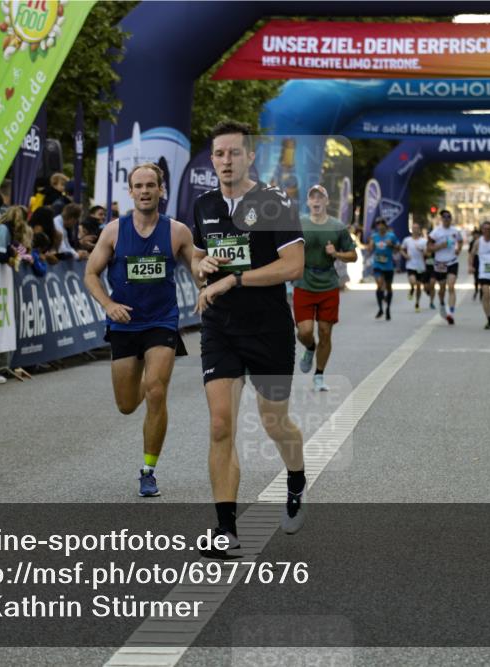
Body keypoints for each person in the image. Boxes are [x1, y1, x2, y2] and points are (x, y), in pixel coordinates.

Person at [190, 121, 306, 555]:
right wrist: (201, 267)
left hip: (268, 328)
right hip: (220, 327)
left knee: (274, 422)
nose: (226, 161)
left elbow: (292, 265)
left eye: (234, 153)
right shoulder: (204, 205)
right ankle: (226, 529)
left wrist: (235, 279)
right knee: (221, 423)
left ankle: (296, 477)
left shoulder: (274, 202)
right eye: (219, 154)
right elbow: (198, 255)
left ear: (250, 157)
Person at [86, 163, 196, 498]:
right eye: (139, 186)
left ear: (161, 190)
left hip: (161, 320)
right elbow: (90, 274)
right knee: (126, 404)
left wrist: (208, 288)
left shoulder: (177, 232)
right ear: (131, 191)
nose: (145, 191)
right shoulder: (113, 231)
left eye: (151, 185)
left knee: (156, 390)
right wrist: (108, 304)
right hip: (124, 323)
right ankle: (142, 388)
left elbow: (198, 269)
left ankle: (148, 471)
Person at [294, 184, 357, 391]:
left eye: (320, 197)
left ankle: (319, 375)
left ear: (326, 201)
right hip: (304, 281)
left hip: (328, 283)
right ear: (308, 202)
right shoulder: (299, 223)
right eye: (313, 197)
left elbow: (353, 255)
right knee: (304, 332)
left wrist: (336, 253)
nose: (316, 201)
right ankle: (310, 347)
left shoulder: (337, 226)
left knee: (325, 331)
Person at [428, 209, 463, 325]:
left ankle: (450, 313)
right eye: (444, 217)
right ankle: (442, 303)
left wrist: (458, 249)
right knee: (442, 289)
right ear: (441, 219)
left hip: (452, 262)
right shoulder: (436, 232)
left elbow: (460, 241)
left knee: (451, 286)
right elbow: (429, 248)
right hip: (440, 264)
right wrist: (440, 246)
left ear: (451, 219)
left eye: (449, 217)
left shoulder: (455, 231)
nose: (447, 219)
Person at [365, 218, 398, 320]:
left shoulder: (391, 236)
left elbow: (398, 248)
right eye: (378, 224)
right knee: (379, 284)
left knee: (388, 287)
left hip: (388, 265)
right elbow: (369, 249)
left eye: (381, 224)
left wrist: (392, 245)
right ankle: (380, 309)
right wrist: (370, 246)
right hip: (378, 264)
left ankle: (388, 309)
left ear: (385, 225)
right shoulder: (374, 236)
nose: (380, 226)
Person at [400, 220, 429, 312]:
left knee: (419, 286)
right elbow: (401, 249)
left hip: (420, 266)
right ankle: (412, 289)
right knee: (413, 281)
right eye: (413, 228)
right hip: (410, 265)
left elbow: (427, 253)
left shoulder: (424, 241)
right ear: (411, 230)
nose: (415, 230)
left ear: (419, 230)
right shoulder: (407, 240)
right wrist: (405, 255)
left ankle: (417, 303)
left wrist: (422, 251)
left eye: (417, 228)